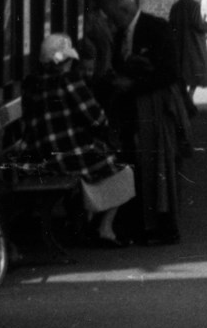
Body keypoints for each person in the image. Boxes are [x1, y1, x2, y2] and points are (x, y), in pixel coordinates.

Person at [20, 33, 132, 244]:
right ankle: (105, 228)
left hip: (38, 155)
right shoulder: (69, 81)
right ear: (63, 61)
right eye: (69, 60)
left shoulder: (31, 83)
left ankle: (85, 218)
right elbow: (97, 119)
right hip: (66, 155)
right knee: (122, 168)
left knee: (98, 161)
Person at [101, 0, 183, 244]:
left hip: (155, 109)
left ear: (125, 11)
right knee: (136, 165)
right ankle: (141, 225)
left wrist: (133, 86)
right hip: (131, 111)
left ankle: (163, 228)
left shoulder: (156, 28)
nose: (111, 23)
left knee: (158, 167)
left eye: (113, 18)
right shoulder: (121, 32)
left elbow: (170, 72)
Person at [168, 0, 207, 115]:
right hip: (193, 42)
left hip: (178, 42)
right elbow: (198, 24)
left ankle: (185, 99)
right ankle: (189, 98)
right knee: (196, 70)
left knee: (182, 71)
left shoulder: (176, 5)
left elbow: (171, 23)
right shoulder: (194, 5)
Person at [79, 0, 116, 83]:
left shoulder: (115, 16)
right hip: (100, 72)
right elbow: (85, 41)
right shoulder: (90, 19)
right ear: (96, 0)